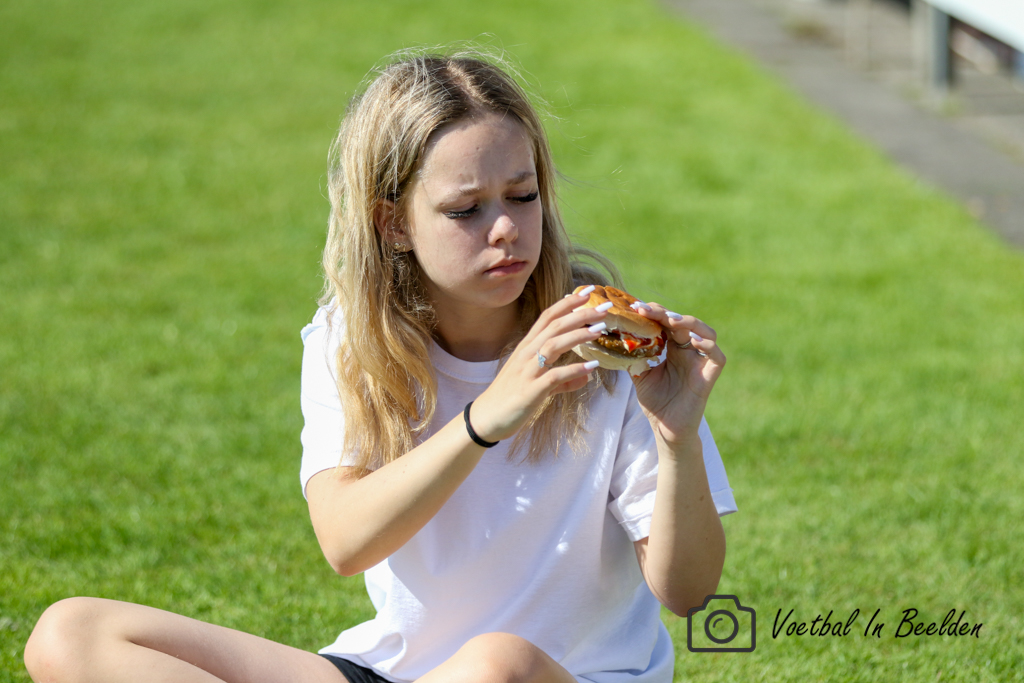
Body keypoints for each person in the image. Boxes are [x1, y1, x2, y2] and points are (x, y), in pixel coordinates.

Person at [23, 49, 736, 683]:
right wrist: (484, 419)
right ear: (393, 223)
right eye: (465, 209)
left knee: (496, 664)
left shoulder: (608, 349)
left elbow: (689, 592)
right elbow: (345, 540)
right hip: (395, 672)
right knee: (71, 633)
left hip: (547, 676)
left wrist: (677, 439)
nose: (505, 229)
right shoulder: (352, 340)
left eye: (523, 197)